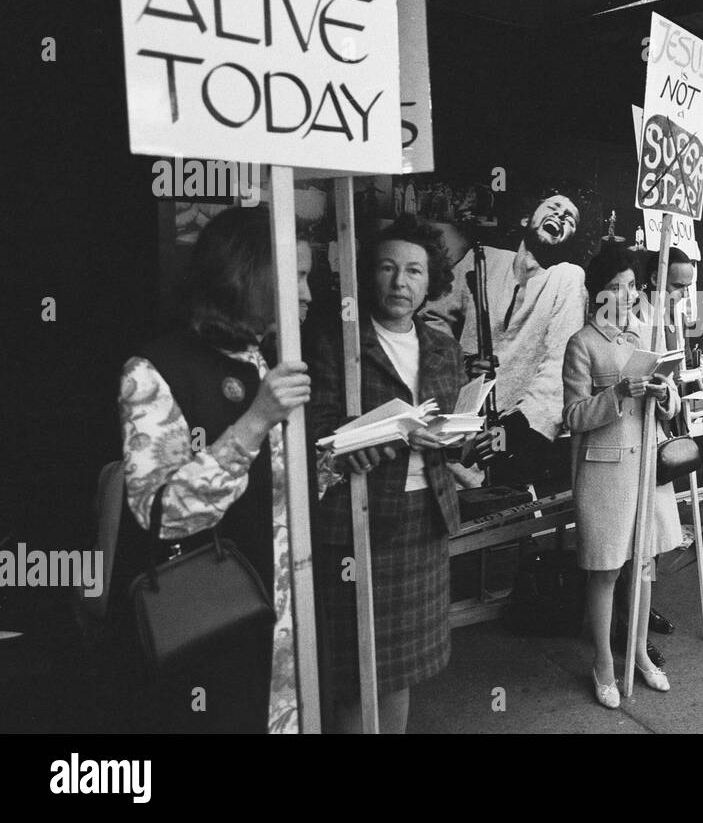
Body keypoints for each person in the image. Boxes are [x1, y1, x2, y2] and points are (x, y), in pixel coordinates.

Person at [117, 206, 310, 732]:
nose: (309, 292)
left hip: (285, 620)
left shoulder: (269, 356)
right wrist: (255, 422)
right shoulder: (155, 369)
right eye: (297, 275)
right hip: (213, 618)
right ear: (249, 275)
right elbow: (160, 513)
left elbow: (274, 492)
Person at [310, 215, 471, 733]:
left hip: (425, 519)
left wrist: (462, 434)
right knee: (358, 672)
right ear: (367, 274)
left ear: (432, 281)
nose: (400, 282)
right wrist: (394, 435)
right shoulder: (339, 342)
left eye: (415, 271)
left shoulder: (443, 344)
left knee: (401, 672)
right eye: (387, 268)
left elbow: (454, 427)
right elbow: (321, 435)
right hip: (362, 522)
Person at [563, 245, 681, 708]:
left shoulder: (643, 335)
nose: (626, 294)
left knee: (645, 563)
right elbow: (573, 415)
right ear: (597, 294)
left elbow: (669, 404)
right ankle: (603, 664)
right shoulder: (582, 343)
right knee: (607, 569)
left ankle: (638, 654)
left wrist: (665, 392)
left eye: (631, 286)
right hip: (604, 471)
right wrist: (617, 393)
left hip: (647, 465)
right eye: (615, 287)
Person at [422, 186, 590, 482]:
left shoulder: (567, 278)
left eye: (570, 220)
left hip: (514, 443)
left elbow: (559, 370)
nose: (561, 216)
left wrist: (513, 433)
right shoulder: (482, 260)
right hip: (457, 432)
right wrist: (457, 364)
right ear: (527, 219)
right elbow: (430, 320)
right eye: (553, 207)